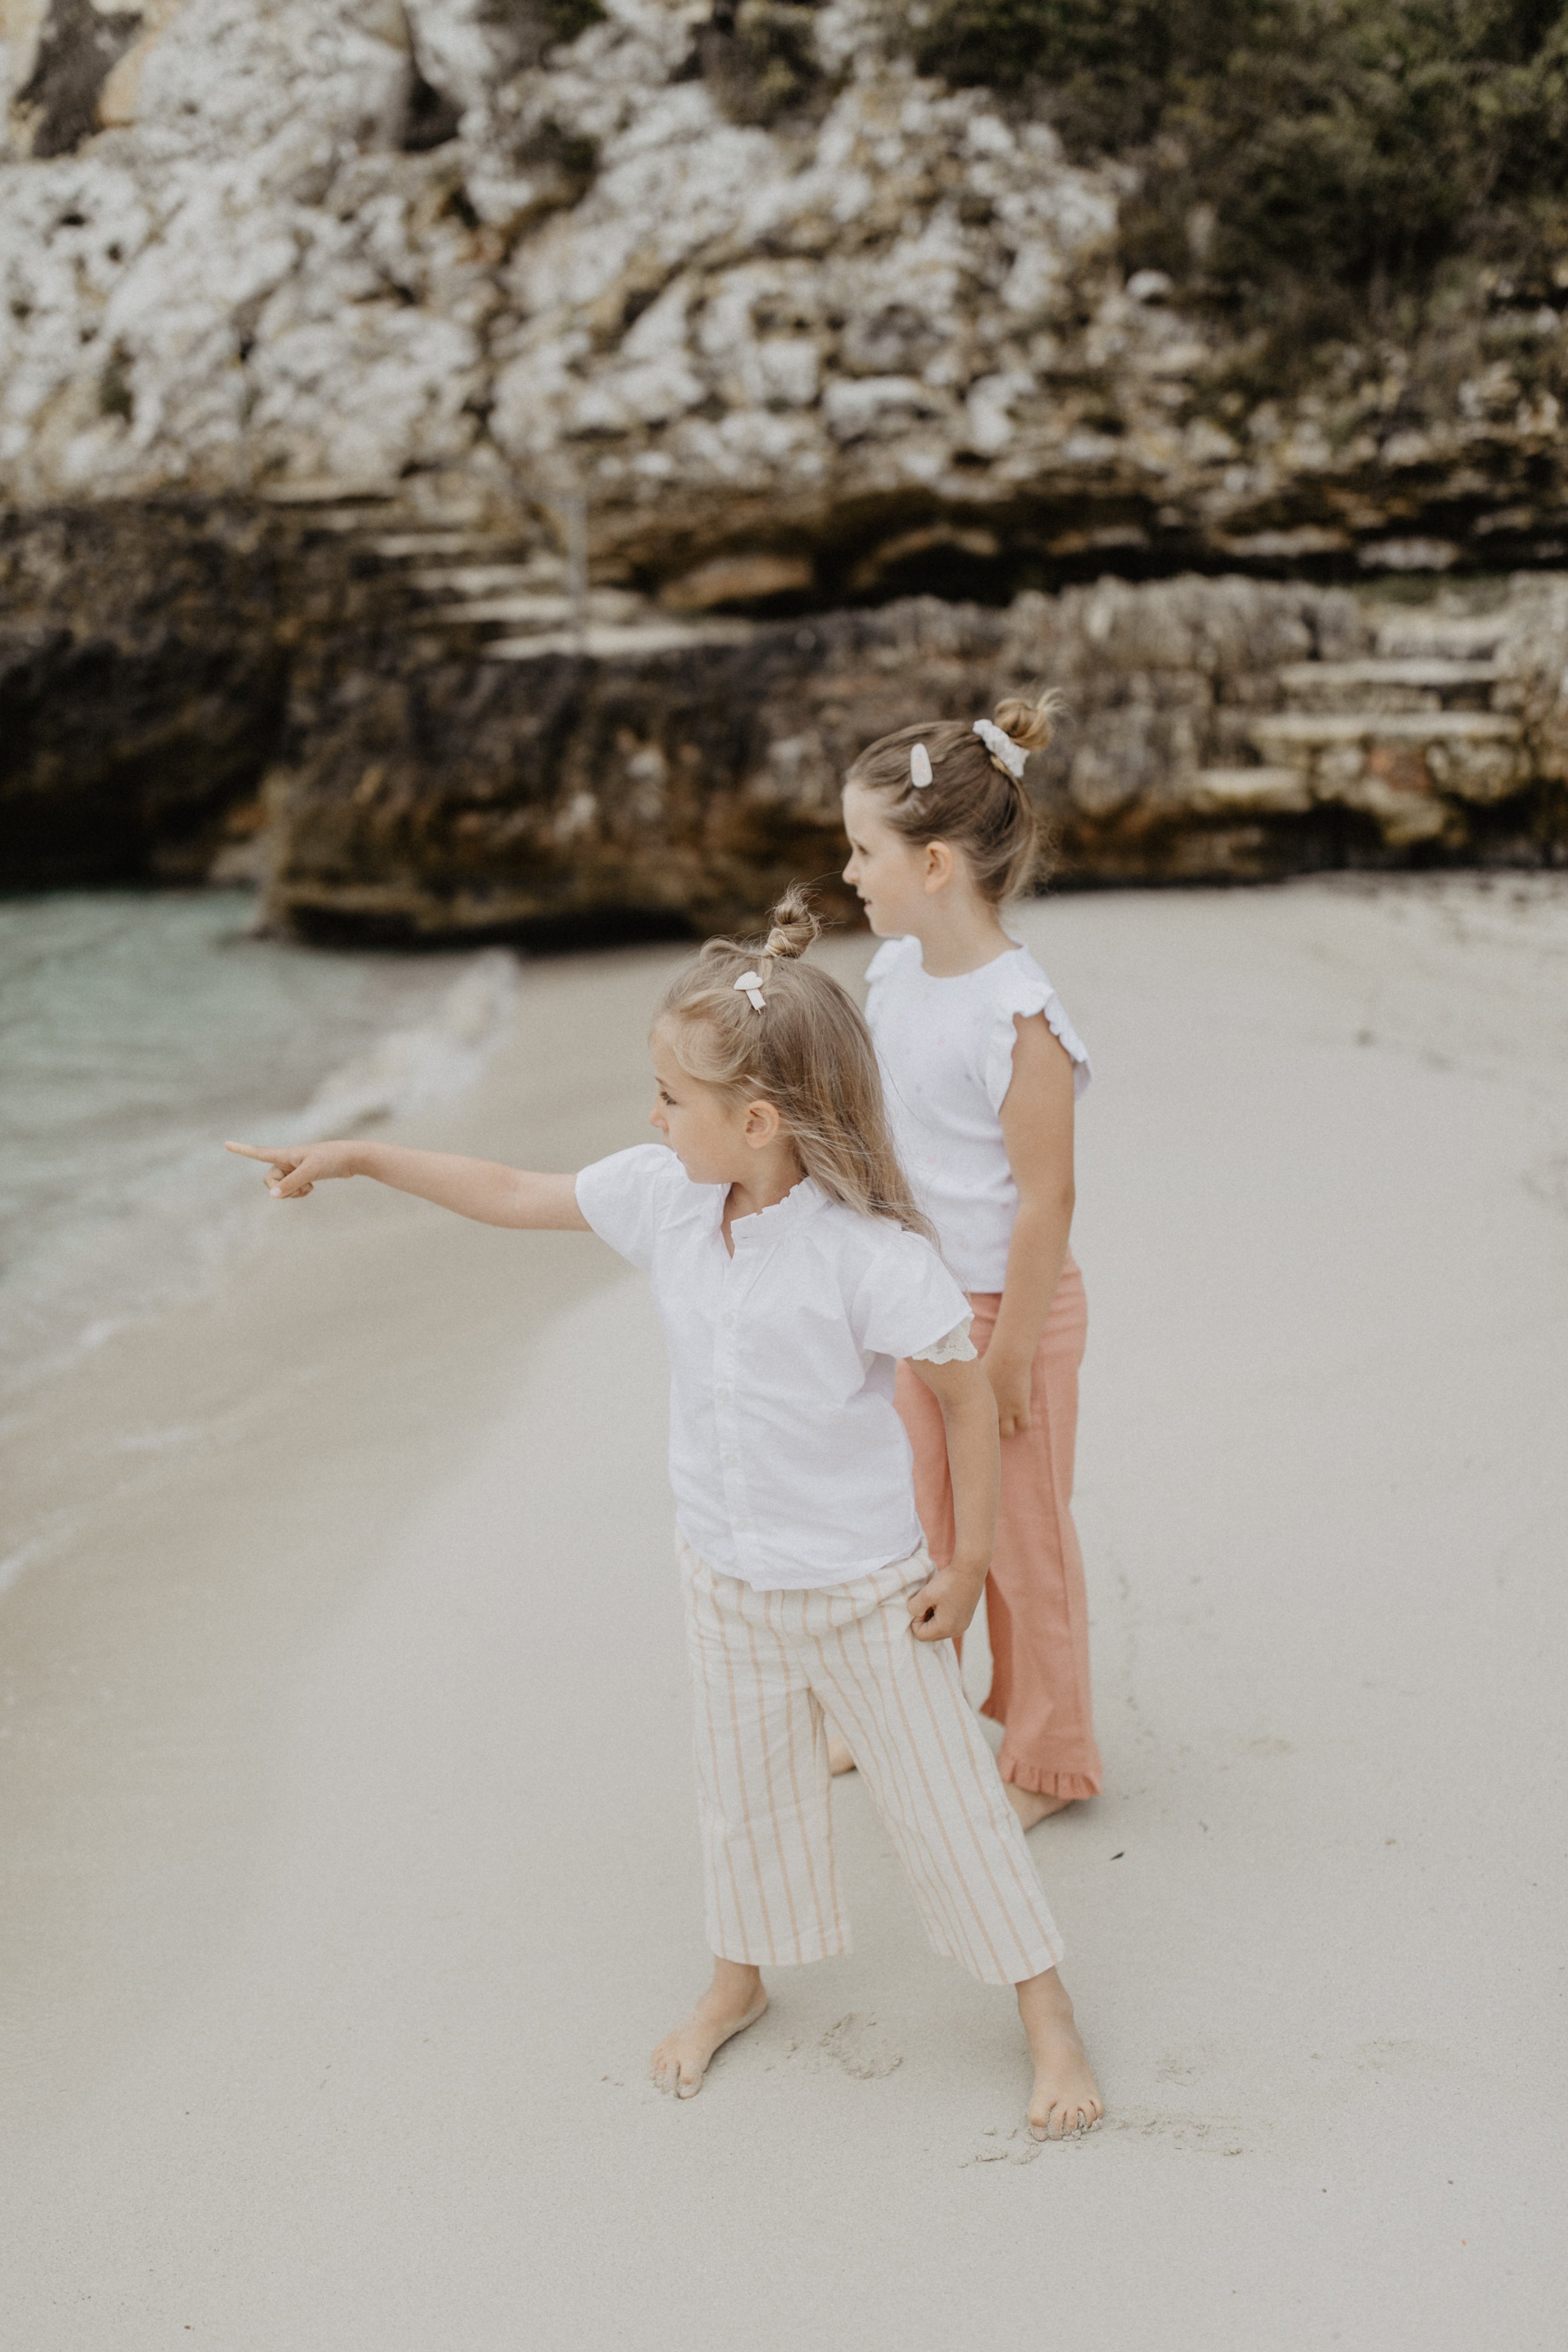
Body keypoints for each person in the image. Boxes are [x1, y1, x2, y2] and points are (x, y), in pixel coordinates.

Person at [226, 891, 1103, 2140]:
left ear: (754, 1122)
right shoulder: (664, 1198)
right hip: (724, 1572)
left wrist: (965, 1562)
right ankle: (737, 1980)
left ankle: (1045, 2012)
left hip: (863, 1587)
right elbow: (504, 1188)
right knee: (740, 1792)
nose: (649, 1114)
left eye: (668, 1097)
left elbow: (964, 1399)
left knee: (946, 1804)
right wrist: (363, 1156)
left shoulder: (864, 1253)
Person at [838, 697, 1102, 1831]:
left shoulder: (1018, 1016)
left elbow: (1047, 1202)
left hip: (1013, 1315)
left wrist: (1001, 1358)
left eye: (863, 849)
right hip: (915, 1300)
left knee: (1024, 1542)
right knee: (910, 1521)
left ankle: (1047, 1752)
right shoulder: (896, 977)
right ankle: (903, 1706)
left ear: (934, 862)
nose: (847, 872)